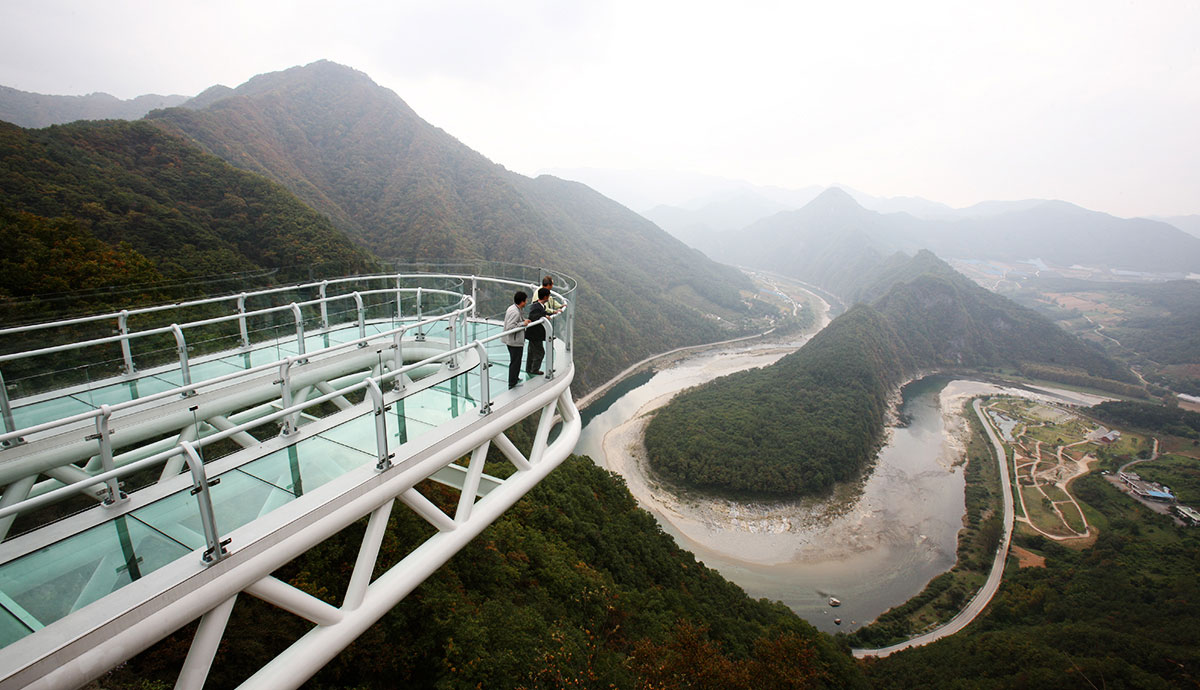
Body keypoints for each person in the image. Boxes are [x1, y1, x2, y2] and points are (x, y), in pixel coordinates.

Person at [503, 291, 529, 389]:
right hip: (514, 342)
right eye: (525, 301)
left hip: (512, 340)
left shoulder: (513, 308)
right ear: (521, 302)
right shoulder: (515, 312)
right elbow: (510, 327)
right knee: (515, 362)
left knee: (516, 361)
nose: (526, 302)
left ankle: (515, 378)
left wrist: (524, 321)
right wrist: (523, 324)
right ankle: (512, 382)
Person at [525, 287, 550, 376]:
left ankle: (529, 369)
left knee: (531, 352)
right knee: (540, 352)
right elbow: (534, 316)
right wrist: (544, 316)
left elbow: (542, 312)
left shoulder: (538, 305)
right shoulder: (536, 307)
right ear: (545, 297)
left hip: (533, 334)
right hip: (535, 335)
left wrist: (548, 314)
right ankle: (534, 369)